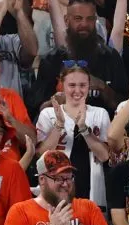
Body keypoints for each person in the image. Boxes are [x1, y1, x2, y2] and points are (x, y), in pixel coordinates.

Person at [33, 0, 129, 113]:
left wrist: (102, 86)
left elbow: (125, 107)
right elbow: (37, 111)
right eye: (78, 18)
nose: (84, 24)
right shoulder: (52, 60)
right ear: (67, 20)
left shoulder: (110, 57)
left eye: (90, 19)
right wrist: (58, 100)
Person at [35, 63, 111, 207]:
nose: (77, 90)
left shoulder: (100, 113)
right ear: (62, 86)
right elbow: (41, 155)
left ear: (89, 86)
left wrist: (83, 128)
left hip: (92, 193)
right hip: (55, 194)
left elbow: (104, 156)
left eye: (83, 85)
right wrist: (59, 125)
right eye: (72, 85)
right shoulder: (49, 114)